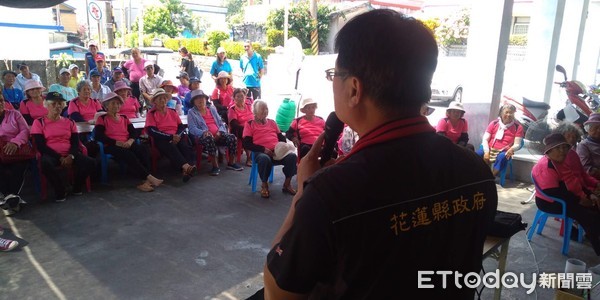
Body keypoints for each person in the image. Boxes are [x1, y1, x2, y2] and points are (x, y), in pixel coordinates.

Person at [262, 10, 497, 299]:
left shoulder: (331, 193)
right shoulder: (476, 171)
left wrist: (301, 198)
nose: (332, 82)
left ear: (354, 88)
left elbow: (278, 291)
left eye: (334, 74)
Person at [532, 133, 600, 255]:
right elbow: (554, 192)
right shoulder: (546, 166)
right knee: (589, 216)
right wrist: (580, 200)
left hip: (567, 197)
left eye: (565, 147)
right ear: (549, 150)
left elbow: (575, 181)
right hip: (550, 202)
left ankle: (593, 235)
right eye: (558, 148)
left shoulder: (561, 162)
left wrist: (590, 194)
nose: (562, 151)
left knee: (596, 207)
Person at [31, 92, 96, 202]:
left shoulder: (70, 122)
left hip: (69, 154)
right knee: (45, 164)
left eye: (60, 104)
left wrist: (71, 156)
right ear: (46, 105)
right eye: (54, 104)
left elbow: (76, 143)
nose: (57, 106)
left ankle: (77, 186)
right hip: (51, 155)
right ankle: (60, 189)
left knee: (91, 162)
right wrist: (59, 158)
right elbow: (41, 146)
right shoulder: (39, 122)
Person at [94, 92, 163, 192]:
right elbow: (98, 136)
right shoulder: (102, 118)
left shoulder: (124, 118)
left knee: (143, 149)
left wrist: (130, 141)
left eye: (118, 104)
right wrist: (116, 142)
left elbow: (134, 132)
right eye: (113, 103)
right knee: (128, 154)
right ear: (106, 106)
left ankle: (145, 181)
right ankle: (149, 178)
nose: (116, 106)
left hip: (126, 142)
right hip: (111, 145)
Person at [243, 100, 297, 198]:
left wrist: (283, 146)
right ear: (255, 112)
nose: (265, 111)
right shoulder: (250, 124)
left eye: (266, 108)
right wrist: (263, 149)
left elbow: (281, 137)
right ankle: (264, 185)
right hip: (260, 152)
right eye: (262, 109)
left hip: (276, 151)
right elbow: (246, 144)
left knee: (292, 157)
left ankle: (287, 184)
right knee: (264, 159)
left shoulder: (272, 122)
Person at [144, 88, 196, 182]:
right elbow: (151, 130)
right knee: (170, 145)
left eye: (164, 98)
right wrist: (170, 137)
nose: (162, 100)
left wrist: (177, 136)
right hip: (162, 138)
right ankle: (187, 167)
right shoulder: (151, 113)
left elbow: (181, 126)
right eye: (159, 99)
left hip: (176, 136)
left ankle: (185, 171)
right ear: (155, 101)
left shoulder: (172, 111)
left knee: (185, 145)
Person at [188, 90, 243, 175]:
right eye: (197, 99)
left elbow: (221, 123)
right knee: (209, 138)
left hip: (218, 134)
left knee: (232, 137)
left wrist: (220, 132)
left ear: (206, 100)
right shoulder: (191, 112)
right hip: (203, 137)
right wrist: (204, 132)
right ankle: (215, 166)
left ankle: (231, 163)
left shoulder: (212, 109)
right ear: (194, 102)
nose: (200, 100)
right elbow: (192, 128)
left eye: (202, 98)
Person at [0, 95, 29, 215]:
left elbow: (25, 130)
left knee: (18, 168)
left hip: (16, 151)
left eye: (1, 100)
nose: (0, 103)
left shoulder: (15, 114)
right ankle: (12, 199)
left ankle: (9, 198)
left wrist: (15, 143)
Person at [477, 103, 524, 176]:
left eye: (511, 113)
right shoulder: (494, 123)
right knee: (477, 154)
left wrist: (512, 149)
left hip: (504, 150)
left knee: (502, 157)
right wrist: (486, 152)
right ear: (501, 113)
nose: (509, 115)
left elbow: (517, 144)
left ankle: (491, 176)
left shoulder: (518, 127)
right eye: (506, 112)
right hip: (489, 148)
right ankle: (477, 173)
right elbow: (485, 139)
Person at [228, 88, 254, 166]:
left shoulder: (249, 106)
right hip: (239, 130)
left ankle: (257, 155)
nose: (240, 98)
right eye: (238, 96)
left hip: (252, 128)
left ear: (245, 97)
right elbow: (234, 124)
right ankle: (249, 158)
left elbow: (255, 117)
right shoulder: (232, 109)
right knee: (246, 134)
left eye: (242, 96)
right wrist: (247, 129)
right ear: (234, 98)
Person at [577, 113, 600, 180]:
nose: (599, 130)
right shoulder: (583, 145)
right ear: (588, 129)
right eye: (595, 128)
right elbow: (586, 168)